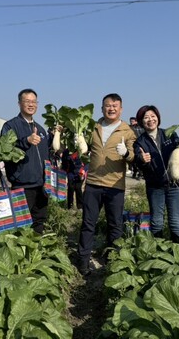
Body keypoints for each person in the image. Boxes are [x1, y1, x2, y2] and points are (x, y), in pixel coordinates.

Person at [75, 93, 136, 276]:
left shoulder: (127, 131)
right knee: (88, 223)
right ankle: (83, 261)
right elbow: (82, 150)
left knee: (114, 225)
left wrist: (126, 153)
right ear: (102, 108)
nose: (111, 108)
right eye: (108, 105)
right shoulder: (93, 127)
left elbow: (133, 157)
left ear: (121, 109)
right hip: (93, 183)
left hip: (115, 185)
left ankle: (113, 262)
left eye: (115, 106)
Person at [133, 105, 179, 243]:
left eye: (153, 116)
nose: (150, 120)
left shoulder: (170, 134)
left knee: (175, 222)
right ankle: (158, 251)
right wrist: (142, 159)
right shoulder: (140, 142)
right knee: (157, 221)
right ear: (141, 122)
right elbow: (137, 162)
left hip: (175, 185)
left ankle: (177, 252)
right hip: (155, 186)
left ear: (158, 118)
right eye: (146, 118)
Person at [1, 88, 51, 234]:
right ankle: (19, 255)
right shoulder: (10, 126)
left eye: (34, 102)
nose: (31, 104)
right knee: (19, 225)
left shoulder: (40, 129)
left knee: (39, 221)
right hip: (22, 185)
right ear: (19, 104)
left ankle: (35, 254)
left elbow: (46, 156)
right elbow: (5, 150)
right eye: (27, 101)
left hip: (41, 186)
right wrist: (25, 141)